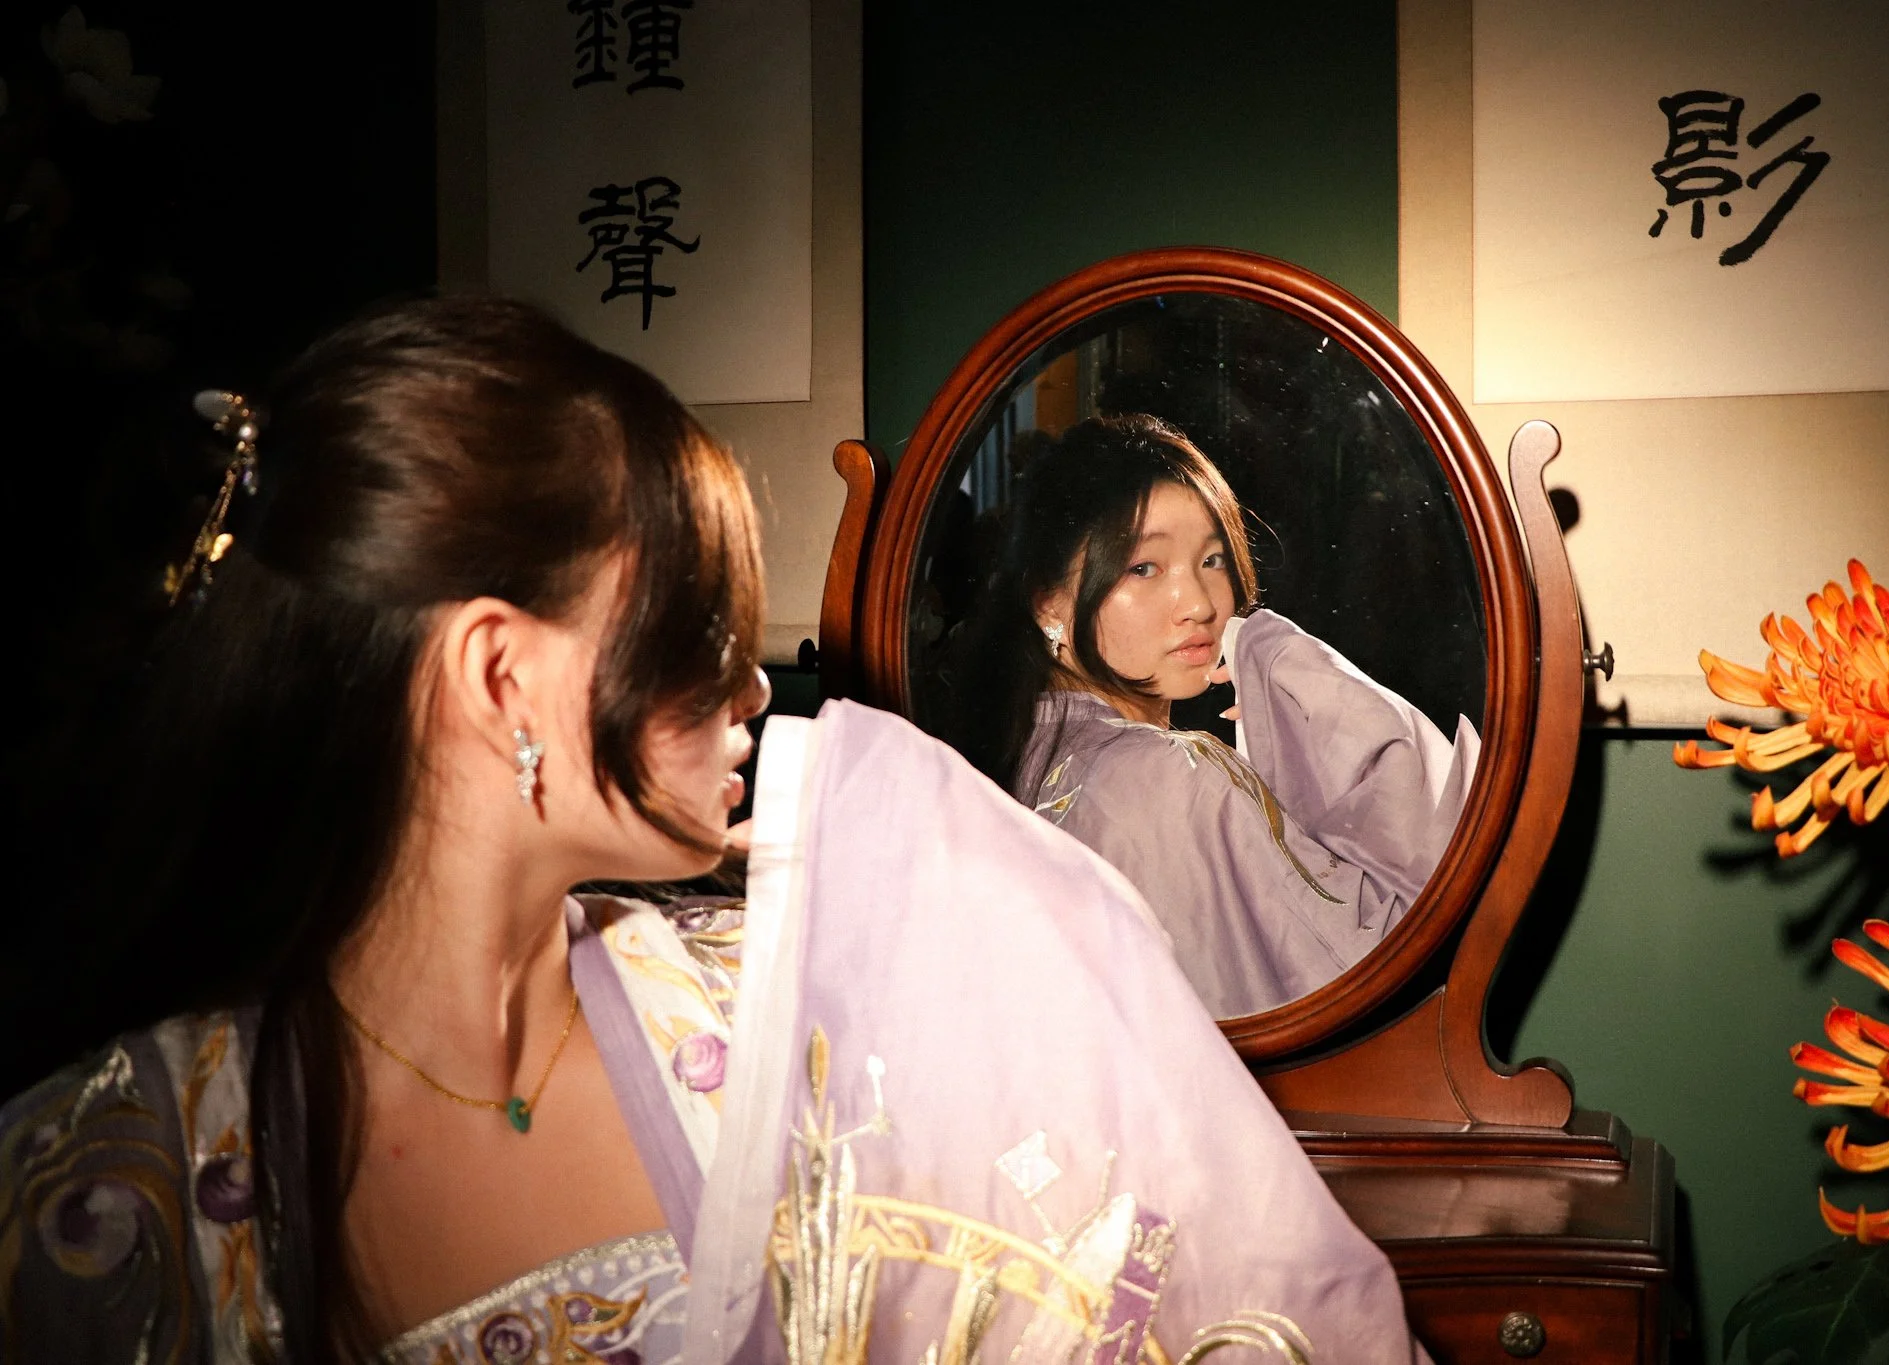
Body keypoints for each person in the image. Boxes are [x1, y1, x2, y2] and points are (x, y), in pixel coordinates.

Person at [0, 300, 1425, 1363]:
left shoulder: (783, 1004)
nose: (754, 685)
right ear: (503, 677)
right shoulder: (109, 1176)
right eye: (690, 631)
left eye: (1215, 564)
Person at [941, 415, 1481, 1019]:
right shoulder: (1179, 779)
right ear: (1050, 602)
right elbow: (1395, 959)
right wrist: (1315, 689)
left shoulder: (1018, 750)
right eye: (1143, 568)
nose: (1199, 604)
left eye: (1213, 560)